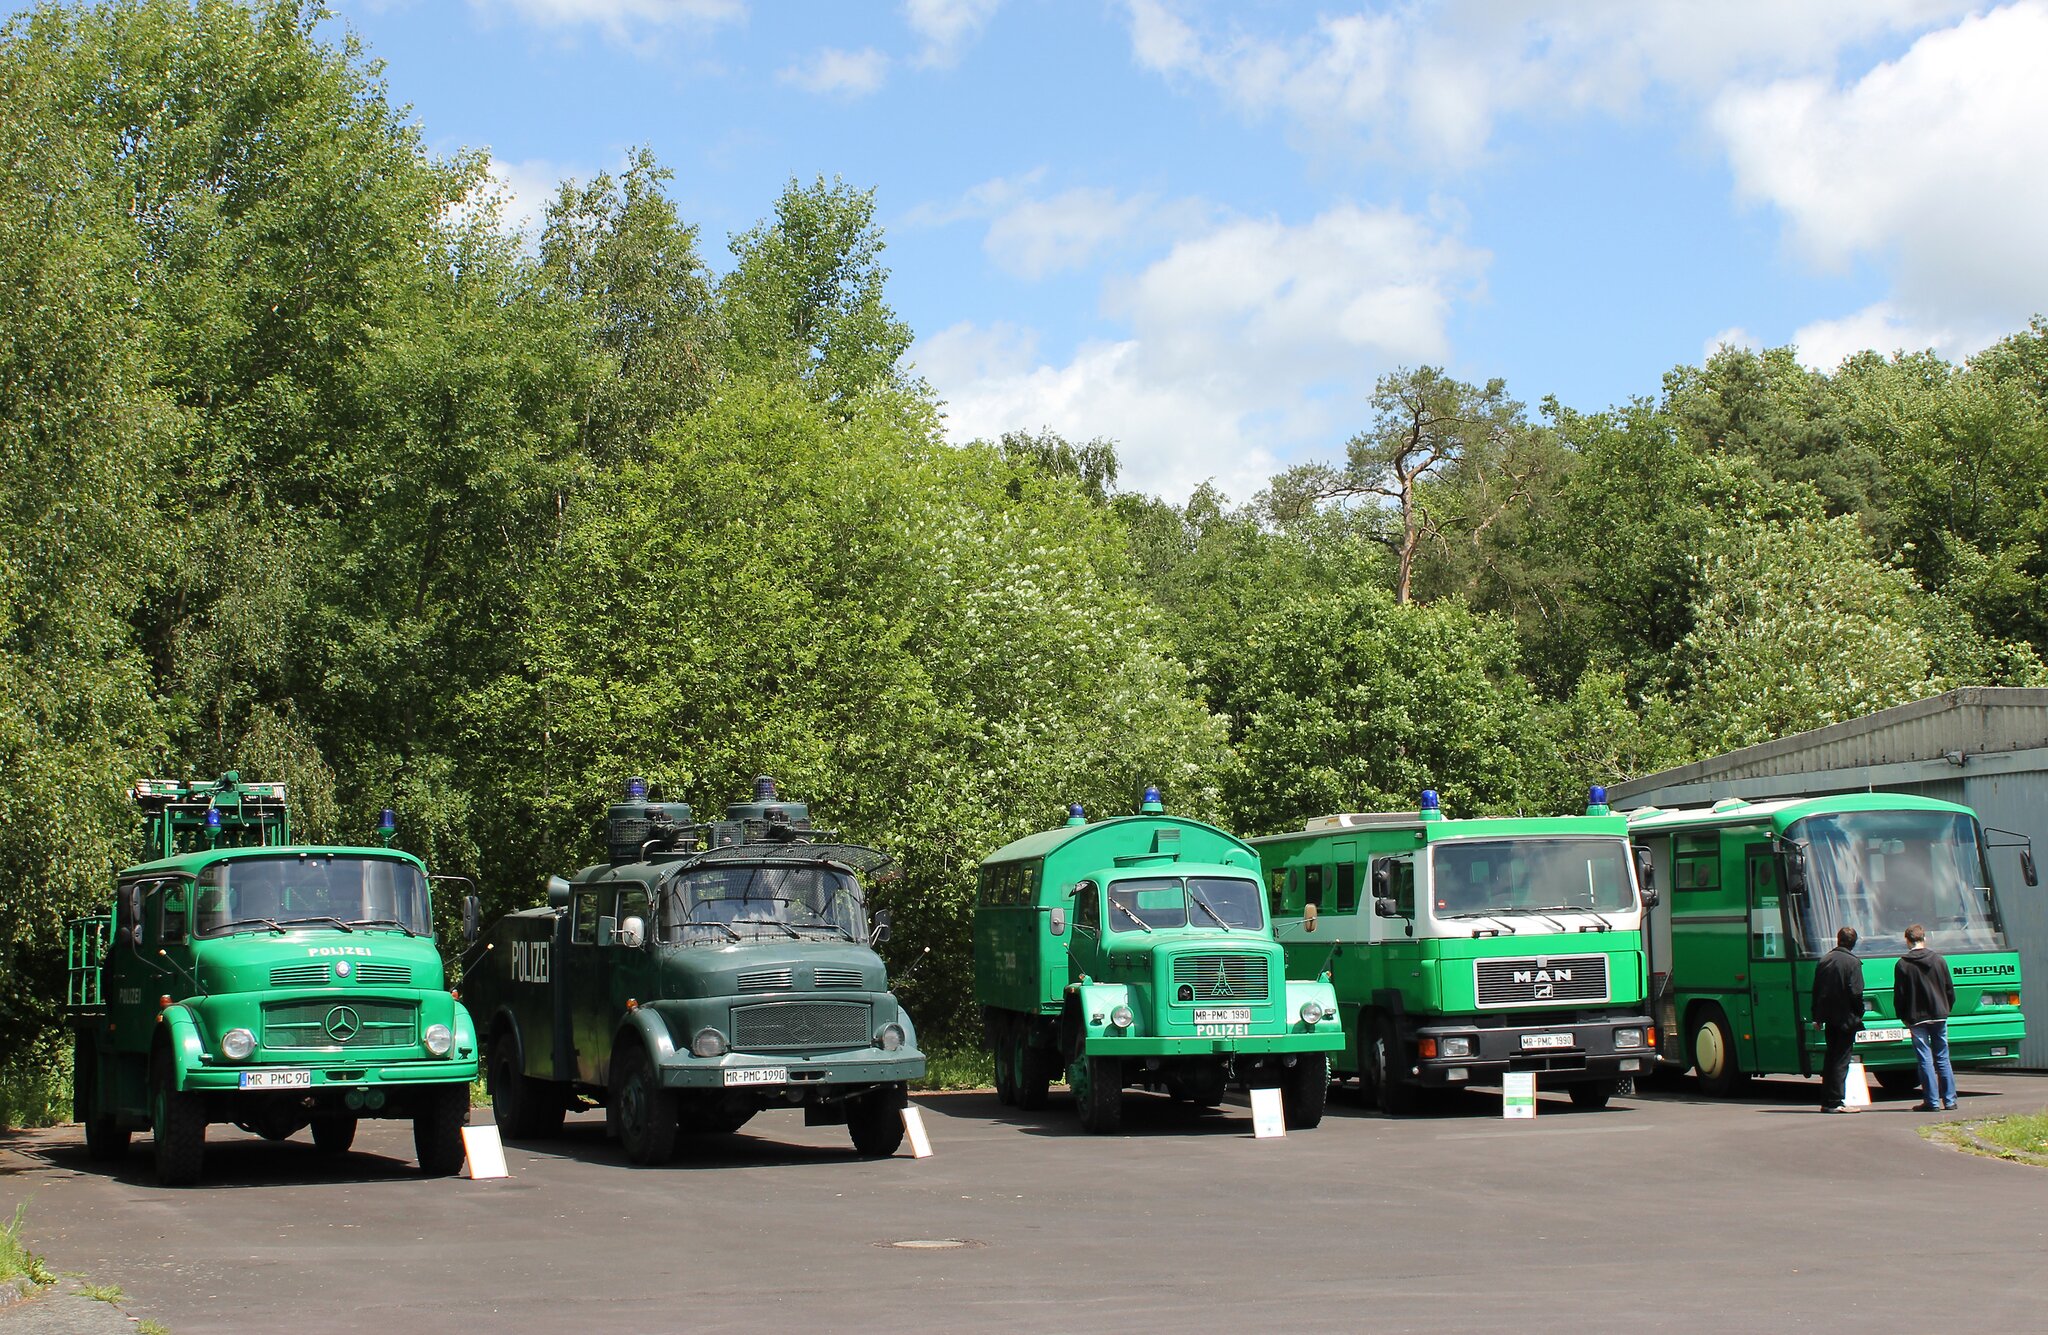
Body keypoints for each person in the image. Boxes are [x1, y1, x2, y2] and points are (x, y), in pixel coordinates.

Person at [1893, 922, 1957, 1111]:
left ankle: (1932, 1101)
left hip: (1916, 1017)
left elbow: (1900, 995)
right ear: (1924, 938)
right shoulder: (1939, 960)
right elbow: (1949, 989)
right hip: (1939, 1014)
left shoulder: (1902, 964)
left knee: (1925, 1059)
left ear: (1907, 941)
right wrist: (1946, 1008)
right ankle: (1950, 1100)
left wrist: (1903, 1016)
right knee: (1943, 1057)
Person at [1811, 925, 1865, 1113]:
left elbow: (1817, 991)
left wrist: (1817, 1016)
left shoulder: (1825, 960)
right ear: (1854, 943)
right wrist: (1860, 1013)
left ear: (1838, 939)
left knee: (1831, 1058)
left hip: (1829, 1018)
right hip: (1846, 1018)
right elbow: (1856, 992)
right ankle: (1835, 1101)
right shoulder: (1853, 963)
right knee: (1842, 1060)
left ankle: (1827, 1100)